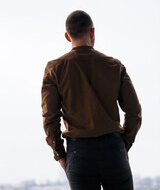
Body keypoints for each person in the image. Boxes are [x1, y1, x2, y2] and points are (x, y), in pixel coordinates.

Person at [41, 10, 142, 190]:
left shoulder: (54, 69)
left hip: (79, 154)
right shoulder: (115, 66)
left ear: (67, 36)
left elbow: (50, 118)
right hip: (113, 149)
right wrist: (123, 143)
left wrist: (61, 155)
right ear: (92, 32)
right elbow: (134, 112)